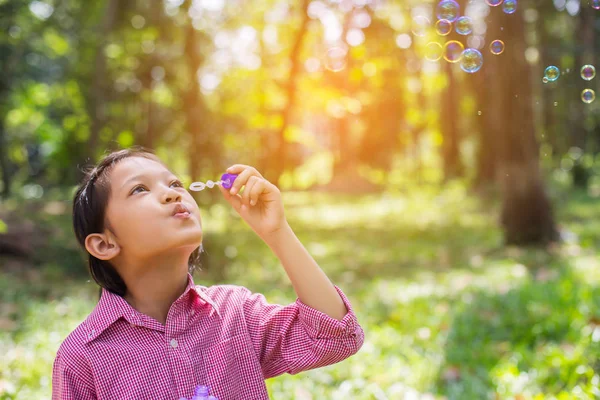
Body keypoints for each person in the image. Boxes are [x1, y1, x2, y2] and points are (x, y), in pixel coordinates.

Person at [52, 146, 364, 400]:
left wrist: (277, 232)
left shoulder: (236, 313)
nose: (173, 194)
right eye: (140, 189)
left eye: (175, 184)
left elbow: (335, 335)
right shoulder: (82, 357)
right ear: (105, 244)